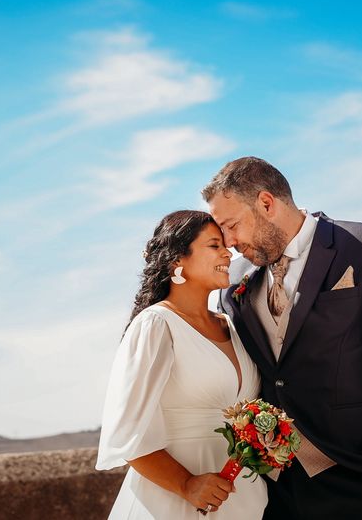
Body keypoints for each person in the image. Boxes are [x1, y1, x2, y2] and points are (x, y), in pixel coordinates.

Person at [203, 157, 362, 520]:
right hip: (274, 489)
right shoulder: (234, 287)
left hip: (361, 477)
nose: (229, 243)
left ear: (267, 203)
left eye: (231, 226)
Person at [95, 210, 268, 519]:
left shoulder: (231, 323)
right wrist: (186, 484)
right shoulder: (156, 325)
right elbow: (126, 434)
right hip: (174, 502)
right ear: (178, 260)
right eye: (214, 245)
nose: (228, 253)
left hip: (241, 498)